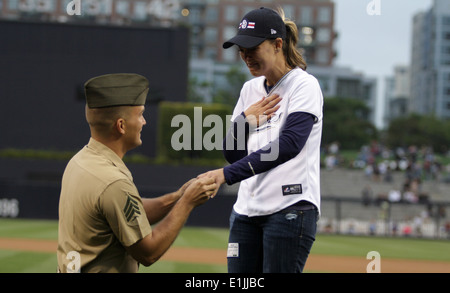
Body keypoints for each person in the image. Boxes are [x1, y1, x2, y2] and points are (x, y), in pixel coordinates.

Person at [199, 7, 323, 273]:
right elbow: (232, 153)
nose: (245, 56)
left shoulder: (305, 85)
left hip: (290, 208)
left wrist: (226, 175)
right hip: (246, 211)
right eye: (241, 49)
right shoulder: (249, 89)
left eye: (252, 48)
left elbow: (288, 145)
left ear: (278, 44)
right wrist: (243, 122)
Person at [57, 73, 216, 273]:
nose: (144, 122)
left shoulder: (80, 161)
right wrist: (188, 202)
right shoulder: (113, 182)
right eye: (140, 114)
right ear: (121, 126)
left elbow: (128, 214)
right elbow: (148, 253)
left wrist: (176, 197)